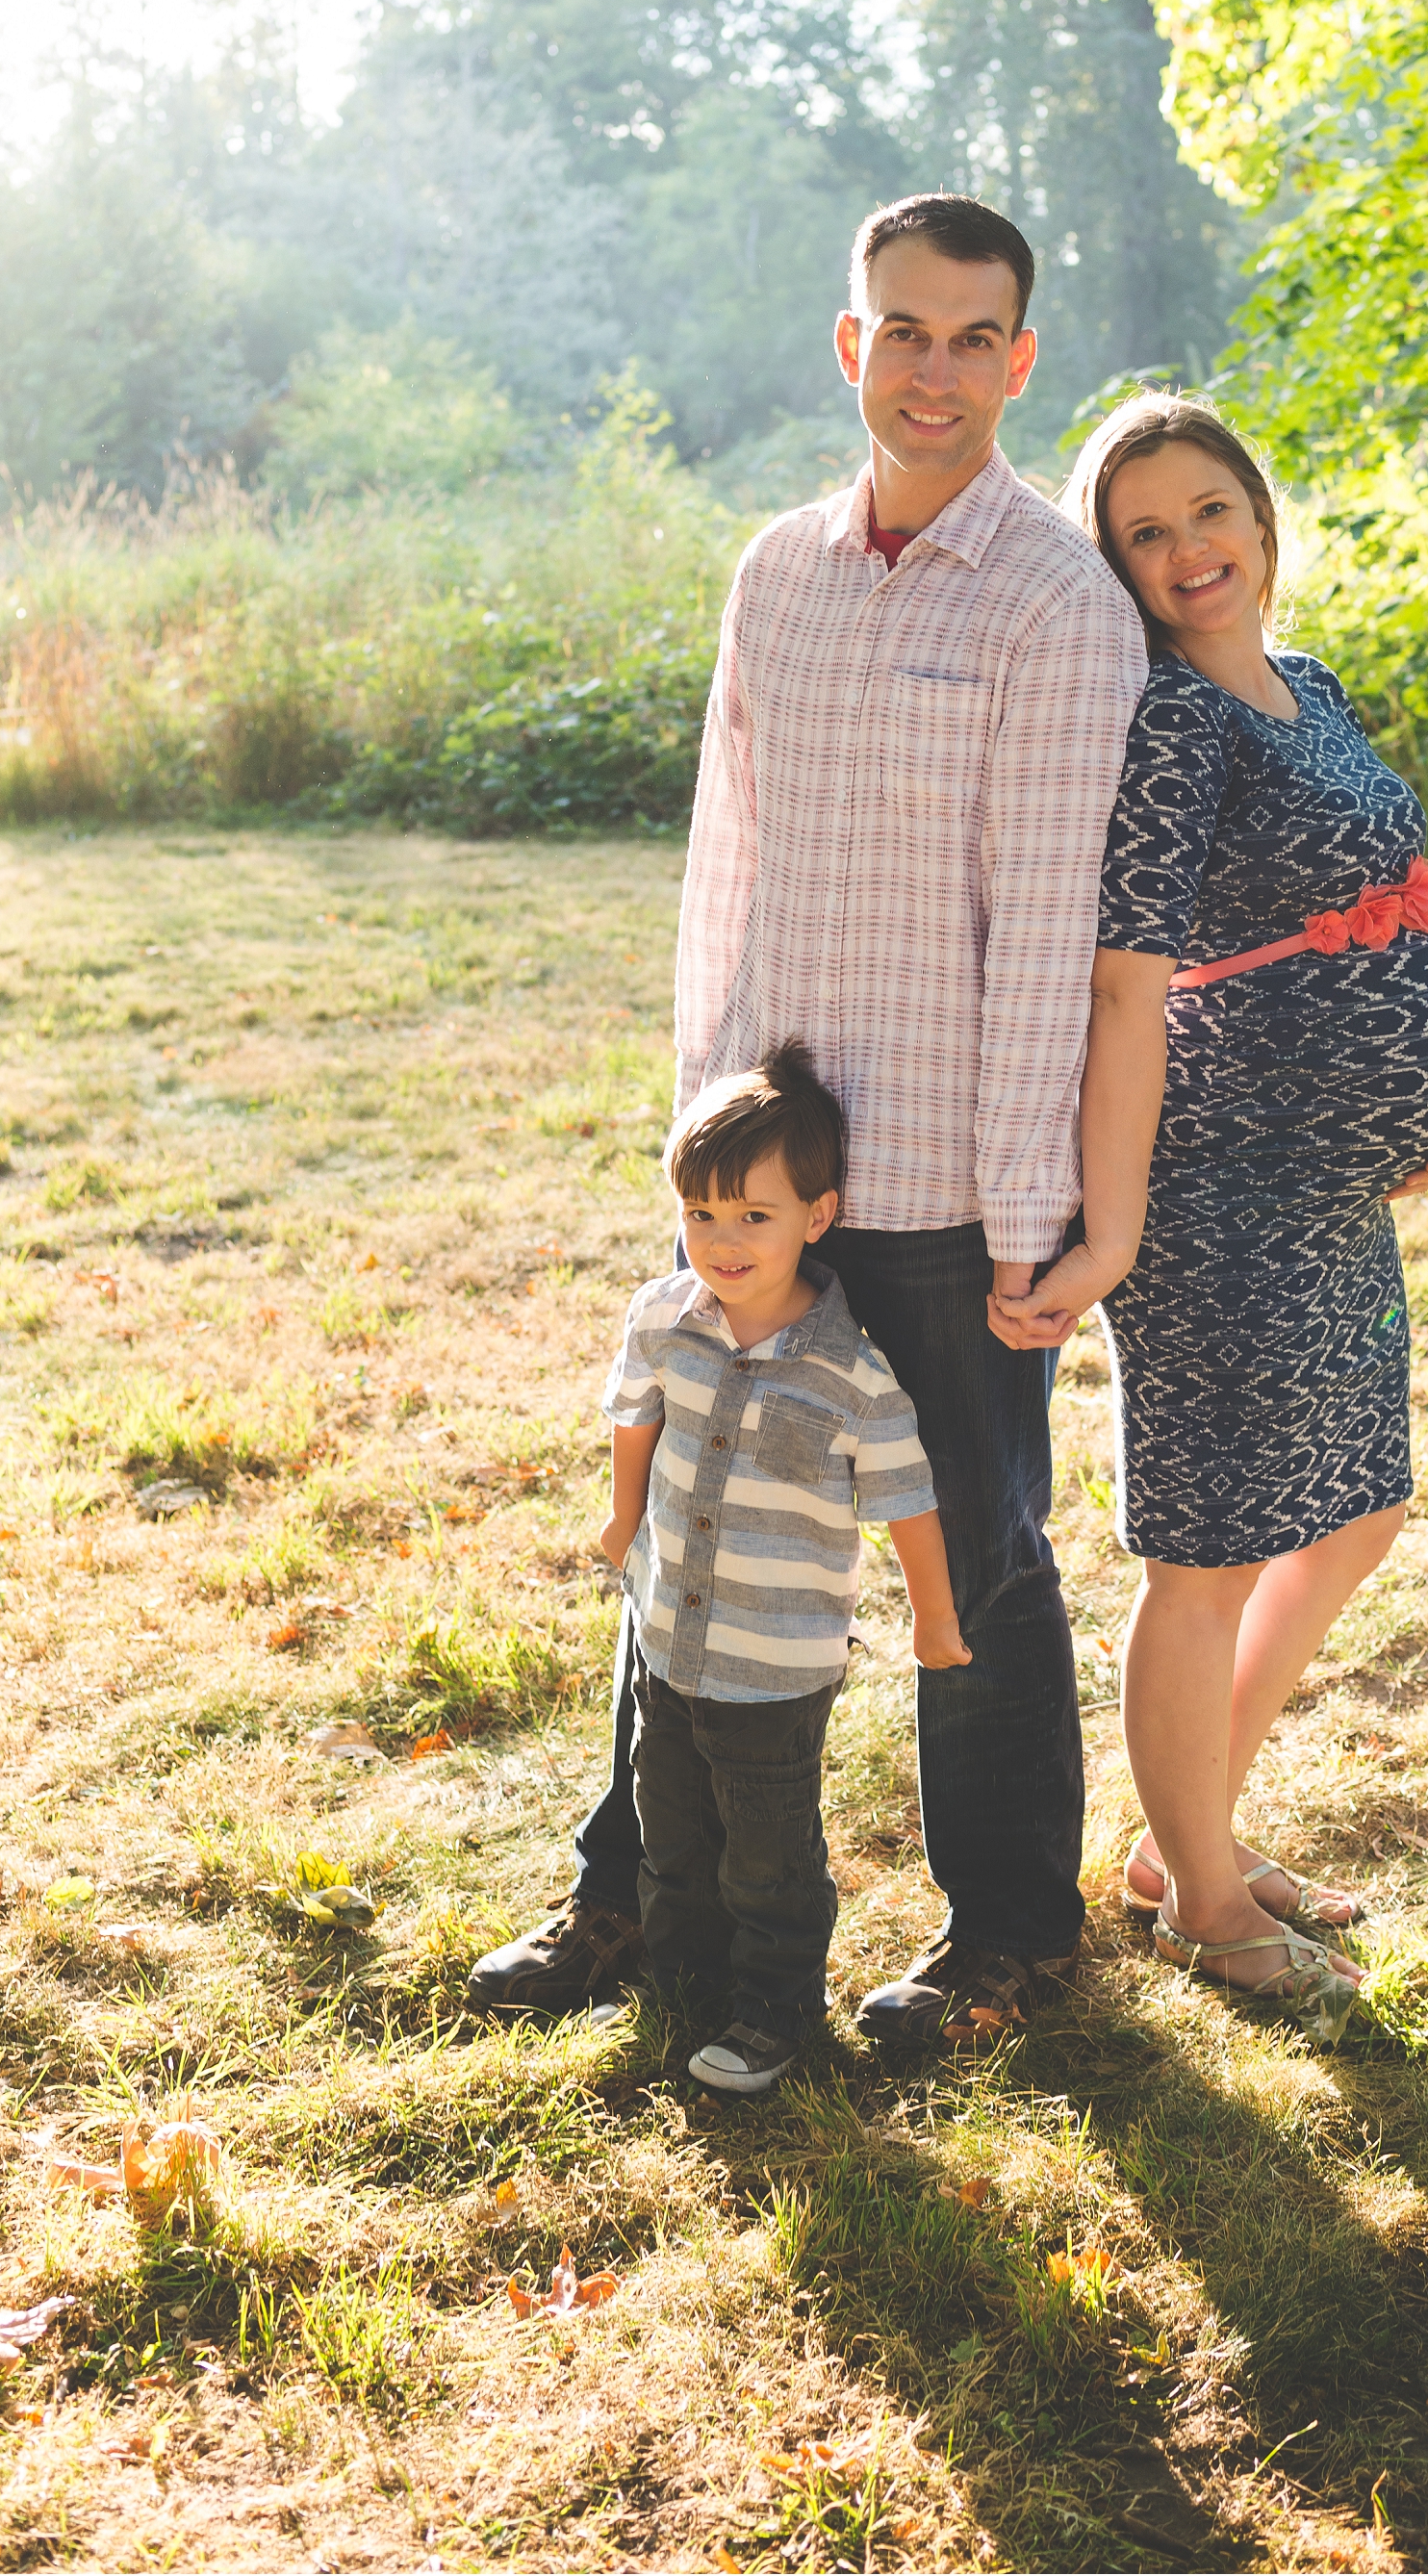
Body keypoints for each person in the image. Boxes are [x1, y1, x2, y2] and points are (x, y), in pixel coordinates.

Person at [470, 192, 1148, 2046]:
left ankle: (1007, 1937)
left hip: (938, 1184)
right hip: (763, 1175)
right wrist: (705, 1137)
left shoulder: (1056, 606)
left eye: (970, 338)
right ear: (850, 345)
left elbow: (1048, 939)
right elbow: (726, 862)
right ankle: (629, 1894)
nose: (931, 370)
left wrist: (1033, 1208)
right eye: (898, 331)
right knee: (689, 1528)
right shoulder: (773, 569)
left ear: (1019, 362)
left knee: (978, 1563)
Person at [994, 394, 1428, 2039]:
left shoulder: (1309, 689)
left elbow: (1364, 911)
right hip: (1216, 1185)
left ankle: (1179, 1839)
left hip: (1327, 1185)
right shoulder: (1166, 729)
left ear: (1259, 518)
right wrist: (1115, 1229)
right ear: (1115, 569)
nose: (1185, 550)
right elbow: (1127, 989)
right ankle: (1201, 1902)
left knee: (1353, 1509)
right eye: (1143, 532)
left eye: (1205, 510)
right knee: (1205, 1548)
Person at [598, 1045, 966, 2097]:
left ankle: (772, 2012)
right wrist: (624, 1516)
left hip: (775, 1663)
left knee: (767, 1853)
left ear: (820, 1213)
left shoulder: (851, 1372)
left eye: (753, 1215)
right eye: (701, 1212)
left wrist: (933, 1622)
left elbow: (907, 1500)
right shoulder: (663, 1317)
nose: (721, 1240)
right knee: (667, 1826)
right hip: (668, 1633)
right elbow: (635, 1417)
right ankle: (684, 1981)